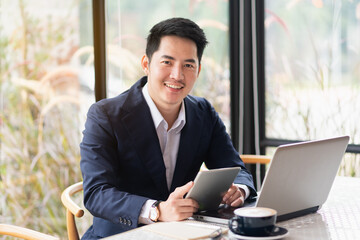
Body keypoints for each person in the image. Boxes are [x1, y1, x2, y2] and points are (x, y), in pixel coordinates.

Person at [80, 17, 256, 239]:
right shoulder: (104, 115)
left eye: (188, 65)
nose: (177, 75)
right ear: (146, 64)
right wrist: (156, 210)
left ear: (198, 70)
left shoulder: (203, 113)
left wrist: (239, 190)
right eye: (167, 62)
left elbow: (236, 169)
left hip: (186, 234)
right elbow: (97, 194)